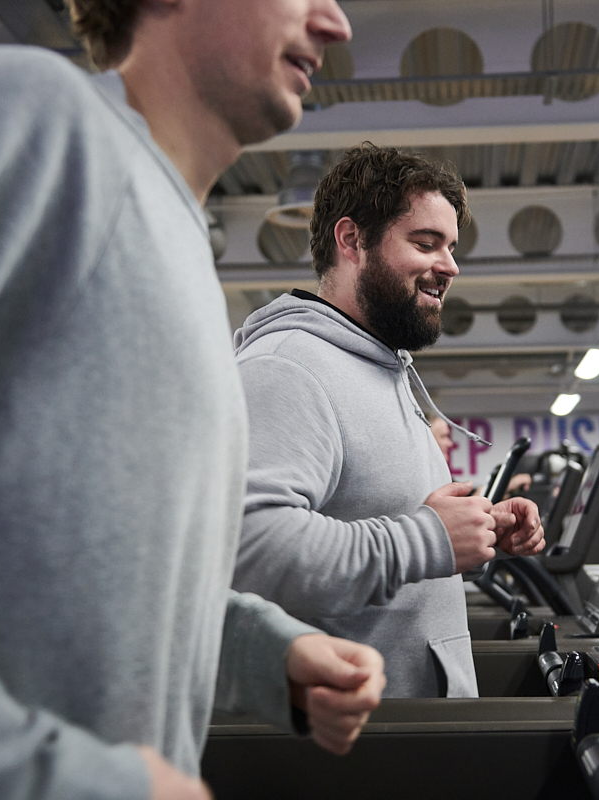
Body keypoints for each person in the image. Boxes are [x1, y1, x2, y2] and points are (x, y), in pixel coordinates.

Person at [0, 0, 387, 797]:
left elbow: (94, 576)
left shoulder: (181, 253)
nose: (336, 22)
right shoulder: (25, 117)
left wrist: (263, 651)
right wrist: (58, 778)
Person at [232, 144, 545, 697]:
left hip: (413, 727)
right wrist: (427, 539)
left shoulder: (380, 368)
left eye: (451, 247)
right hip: (355, 750)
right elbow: (251, 550)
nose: (449, 265)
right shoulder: (288, 368)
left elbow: (384, 525)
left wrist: (478, 528)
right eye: (425, 243)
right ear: (351, 240)